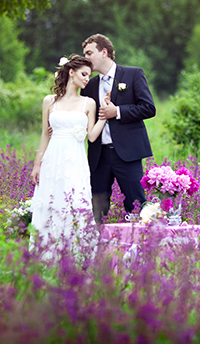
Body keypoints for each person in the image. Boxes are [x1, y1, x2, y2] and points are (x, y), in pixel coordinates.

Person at [29, 55, 112, 258]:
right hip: (52, 161)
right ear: (71, 73)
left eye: (89, 75)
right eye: (84, 74)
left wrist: (103, 115)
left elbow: (92, 136)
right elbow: (45, 134)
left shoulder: (88, 103)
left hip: (76, 162)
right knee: (50, 203)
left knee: (76, 203)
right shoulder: (49, 101)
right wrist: (37, 165)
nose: (87, 79)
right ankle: (46, 255)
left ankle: (76, 256)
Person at [81, 34, 156, 224]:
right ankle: (98, 242)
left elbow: (149, 108)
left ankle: (142, 241)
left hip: (128, 153)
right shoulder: (89, 85)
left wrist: (118, 111)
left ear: (104, 52)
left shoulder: (133, 74)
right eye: (84, 54)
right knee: (97, 211)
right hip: (99, 156)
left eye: (89, 53)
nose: (86, 58)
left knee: (137, 206)